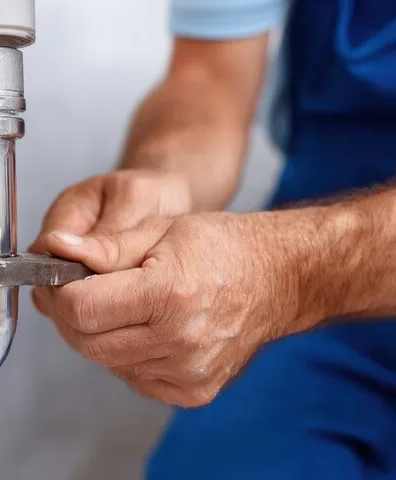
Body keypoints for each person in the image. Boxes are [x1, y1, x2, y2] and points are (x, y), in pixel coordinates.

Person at [29, 0, 396, 478]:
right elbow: (208, 78)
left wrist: (284, 274)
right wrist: (162, 181)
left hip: (313, 266)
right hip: (322, 307)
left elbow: (291, 271)